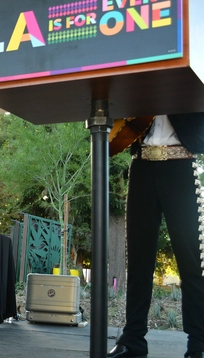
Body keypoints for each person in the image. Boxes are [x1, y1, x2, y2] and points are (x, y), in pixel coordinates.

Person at [107, 113, 204, 358]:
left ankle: (199, 343)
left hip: (182, 165)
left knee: (192, 261)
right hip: (142, 167)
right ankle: (133, 340)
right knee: (138, 261)